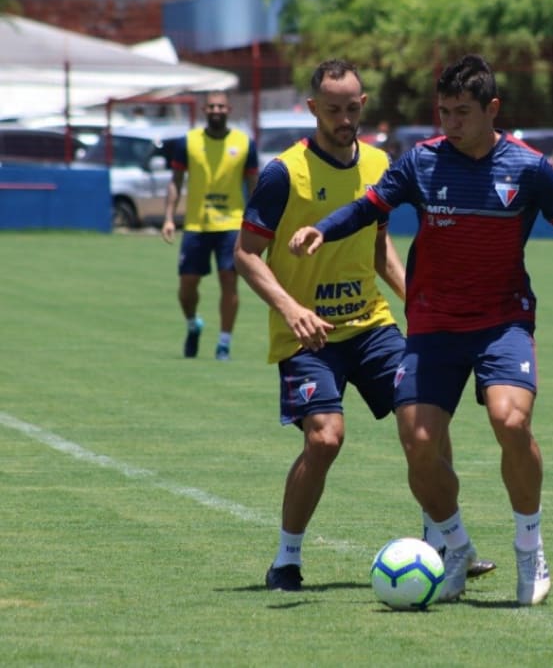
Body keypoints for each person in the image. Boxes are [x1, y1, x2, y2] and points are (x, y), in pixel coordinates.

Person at [289, 54, 553, 606]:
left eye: (462, 112)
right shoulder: (421, 163)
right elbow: (367, 208)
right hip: (432, 325)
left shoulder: (528, 168)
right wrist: (323, 229)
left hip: (502, 321)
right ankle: (455, 545)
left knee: (511, 420)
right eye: (444, 111)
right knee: (420, 443)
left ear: (492, 109)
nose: (450, 123)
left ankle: (530, 546)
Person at [232, 59, 495, 592]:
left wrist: (413, 300)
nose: (344, 117)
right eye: (333, 109)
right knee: (326, 440)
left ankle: (442, 542)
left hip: (372, 324)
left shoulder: (379, 163)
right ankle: (286, 559)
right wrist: (291, 309)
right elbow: (246, 255)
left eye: (353, 107)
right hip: (309, 334)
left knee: (426, 424)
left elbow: (378, 247)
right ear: (312, 110)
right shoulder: (284, 174)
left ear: (364, 104)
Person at [162, 91, 259, 361]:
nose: (216, 110)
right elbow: (176, 180)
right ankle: (193, 324)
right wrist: (169, 217)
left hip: (231, 224)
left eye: (221, 106)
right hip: (196, 224)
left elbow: (254, 185)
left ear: (229, 109)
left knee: (229, 281)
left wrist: (257, 220)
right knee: (187, 287)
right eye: (212, 106)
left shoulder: (244, 143)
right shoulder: (189, 142)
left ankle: (224, 343)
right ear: (205, 109)